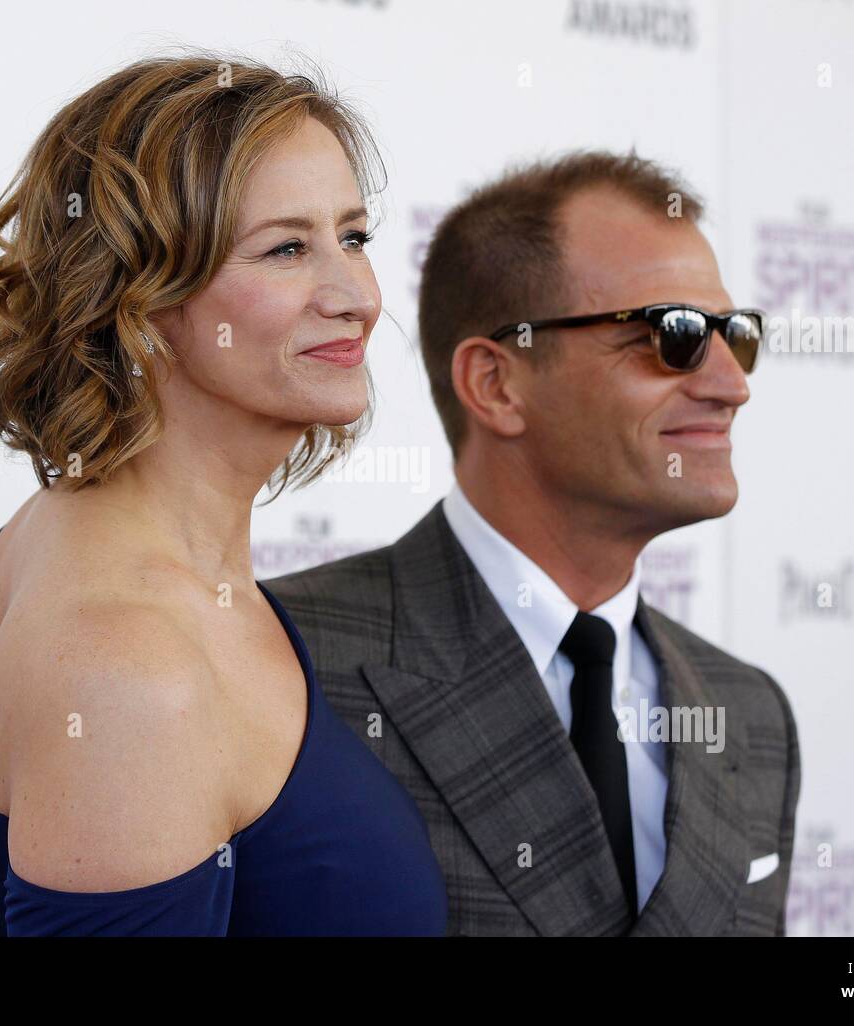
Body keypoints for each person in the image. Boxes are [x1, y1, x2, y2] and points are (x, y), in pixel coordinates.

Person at [0, 52, 447, 936]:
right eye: (287, 248)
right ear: (140, 295)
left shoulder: (71, 540)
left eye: (353, 237)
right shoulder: (129, 666)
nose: (356, 294)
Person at [267, 150, 801, 936]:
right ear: (496, 383)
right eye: (675, 334)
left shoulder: (750, 715)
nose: (732, 384)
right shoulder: (284, 663)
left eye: (737, 335)